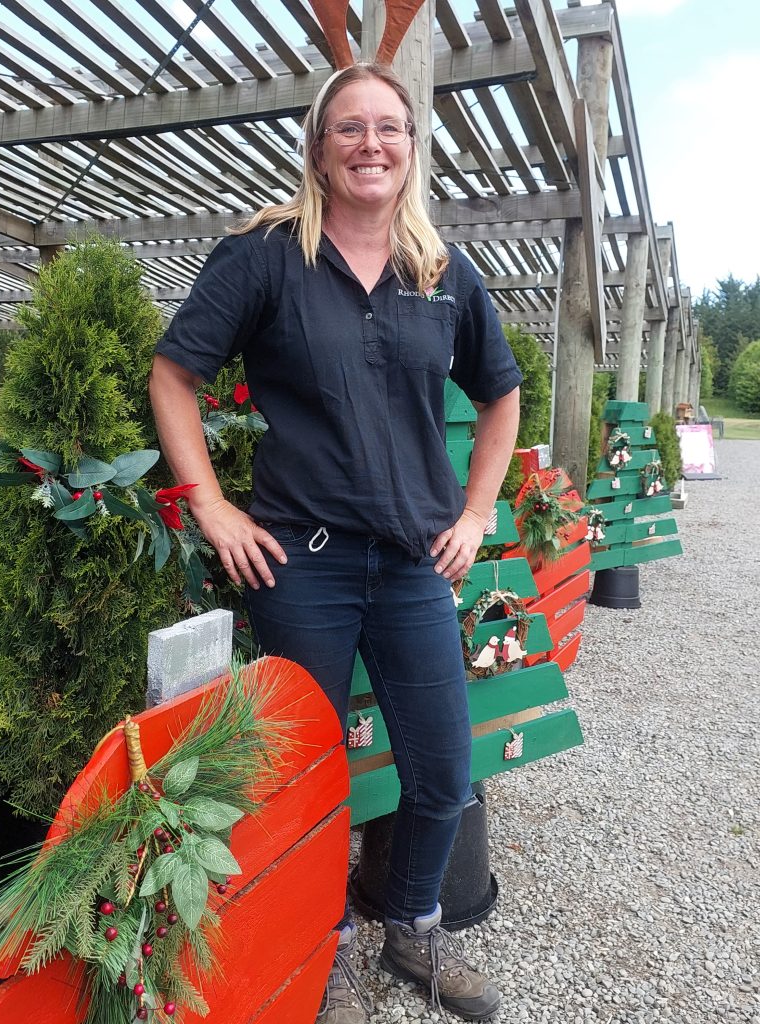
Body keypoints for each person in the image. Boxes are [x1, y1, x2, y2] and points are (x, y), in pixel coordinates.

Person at [150, 62, 522, 1023]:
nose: (371, 144)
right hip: (300, 566)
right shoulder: (265, 257)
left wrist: (478, 514)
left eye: (389, 127)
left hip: (409, 565)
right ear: (318, 146)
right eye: (349, 127)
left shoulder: (442, 272)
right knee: (305, 775)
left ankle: (412, 929)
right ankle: (318, 945)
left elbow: (502, 394)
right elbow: (174, 376)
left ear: (411, 146)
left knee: (443, 767)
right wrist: (213, 507)